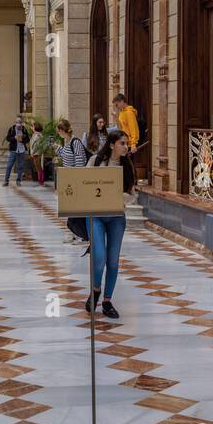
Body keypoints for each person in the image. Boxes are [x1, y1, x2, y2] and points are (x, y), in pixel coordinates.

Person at [84, 129, 135, 320]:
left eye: (127, 143)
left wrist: (118, 197)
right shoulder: (96, 161)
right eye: (122, 143)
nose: (126, 147)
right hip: (96, 216)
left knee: (113, 261)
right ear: (112, 144)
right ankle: (96, 289)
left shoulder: (127, 166)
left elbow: (132, 194)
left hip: (116, 217)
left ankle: (106, 301)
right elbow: (85, 185)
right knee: (99, 258)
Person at [55, 120, 88, 245]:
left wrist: (77, 180)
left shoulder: (76, 142)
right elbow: (65, 155)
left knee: (77, 210)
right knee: (71, 209)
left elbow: (80, 162)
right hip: (69, 181)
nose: (58, 133)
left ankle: (82, 235)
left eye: (59, 130)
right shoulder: (67, 142)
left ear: (63, 130)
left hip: (76, 181)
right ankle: (74, 234)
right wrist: (57, 148)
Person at [3, 116, 31, 186]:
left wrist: (22, 140)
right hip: (13, 150)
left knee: (20, 166)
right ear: (15, 123)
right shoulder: (12, 129)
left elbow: (28, 139)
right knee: (9, 166)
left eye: (20, 123)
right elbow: (8, 138)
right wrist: (14, 138)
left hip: (21, 150)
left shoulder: (24, 129)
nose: (19, 125)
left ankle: (18, 180)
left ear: (21, 123)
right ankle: (6, 180)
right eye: (17, 123)